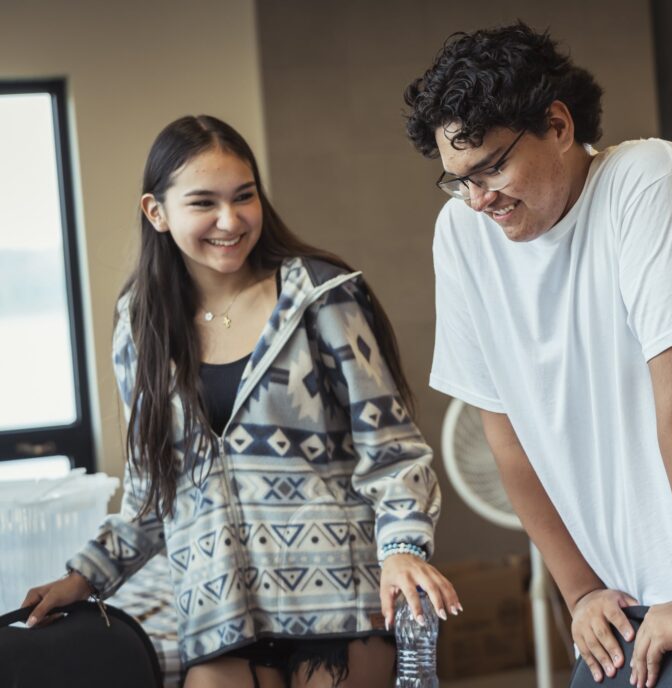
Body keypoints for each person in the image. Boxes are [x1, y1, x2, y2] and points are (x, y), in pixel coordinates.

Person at [21, 115, 459, 688]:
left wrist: (402, 547)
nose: (230, 220)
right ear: (156, 211)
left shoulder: (322, 298)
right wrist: (83, 577)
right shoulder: (140, 325)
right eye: (204, 202)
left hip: (341, 602)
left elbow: (393, 452)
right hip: (219, 613)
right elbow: (152, 492)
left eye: (244, 196)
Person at [404, 21, 672, 688]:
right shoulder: (462, 234)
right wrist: (579, 590)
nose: (479, 199)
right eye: (458, 180)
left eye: (492, 168)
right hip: (620, 606)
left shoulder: (650, 182)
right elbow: (506, 440)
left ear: (557, 124)